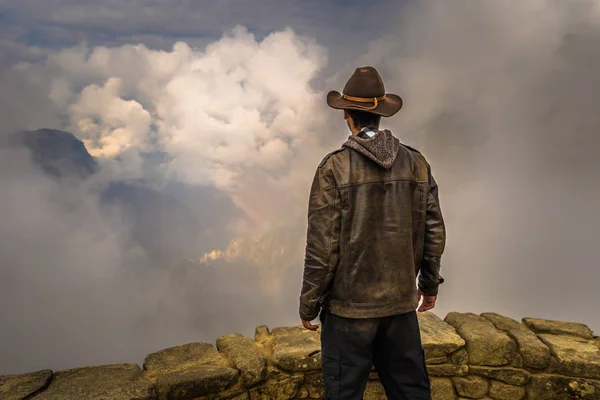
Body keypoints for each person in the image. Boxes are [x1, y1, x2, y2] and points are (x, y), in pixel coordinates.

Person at [298, 66, 446, 399]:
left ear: (346, 114)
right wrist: (429, 284)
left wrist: (309, 304)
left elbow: (323, 247)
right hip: (400, 308)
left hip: (348, 313)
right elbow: (434, 231)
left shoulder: (333, 168)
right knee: (412, 393)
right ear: (380, 115)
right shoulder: (416, 163)